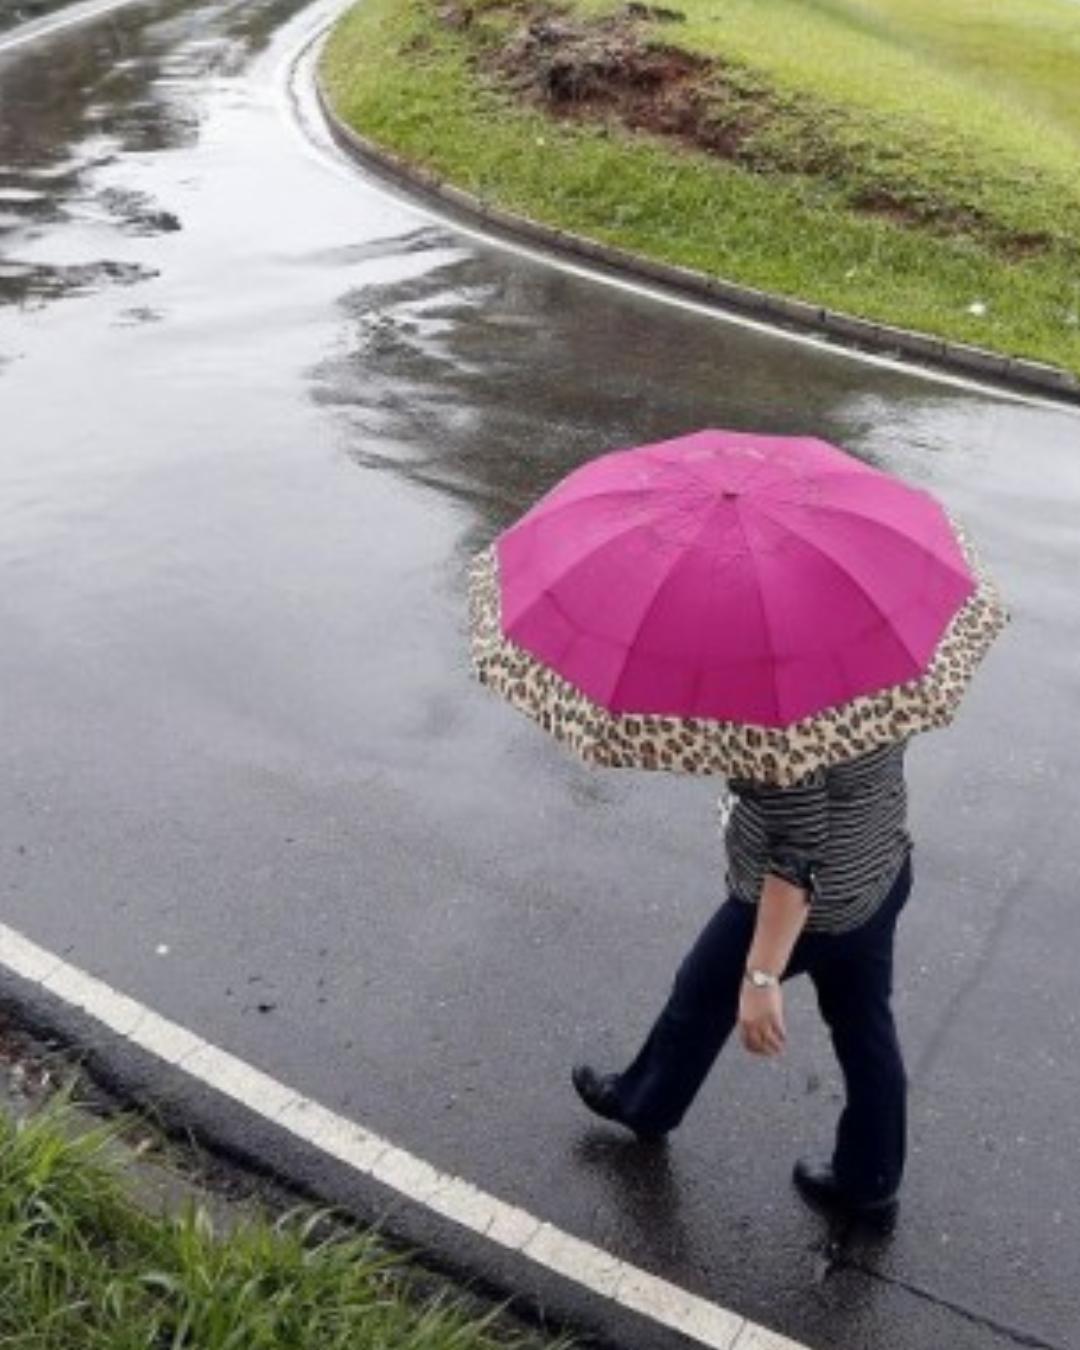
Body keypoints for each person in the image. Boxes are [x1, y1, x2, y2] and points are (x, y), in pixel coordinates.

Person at [572, 740, 912, 1231]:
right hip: (879, 871)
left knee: (700, 993)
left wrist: (761, 976)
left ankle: (645, 1104)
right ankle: (870, 1183)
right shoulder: (871, 674)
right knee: (864, 1025)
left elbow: (797, 853)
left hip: (808, 909)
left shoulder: (776, 723)